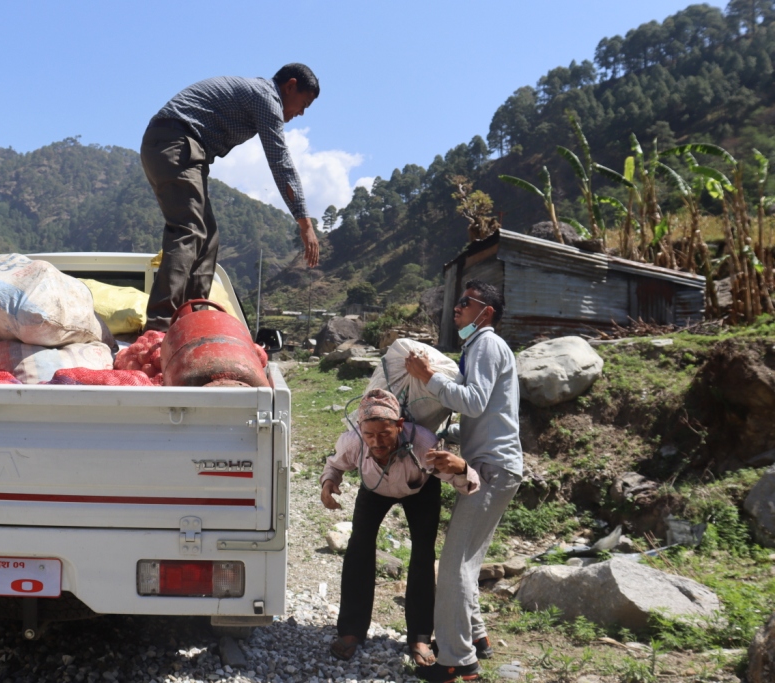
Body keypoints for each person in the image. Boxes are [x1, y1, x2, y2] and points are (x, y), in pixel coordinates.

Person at [140, 64, 321, 331]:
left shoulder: (260, 94)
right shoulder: (267, 98)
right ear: (290, 86)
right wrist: (305, 224)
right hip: (176, 143)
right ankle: (160, 325)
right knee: (189, 230)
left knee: (208, 237)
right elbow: (281, 162)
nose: (301, 113)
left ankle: (195, 318)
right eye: (303, 103)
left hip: (178, 146)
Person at [404, 279, 523, 683]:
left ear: (485, 312)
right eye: (458, 302)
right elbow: (484, 414)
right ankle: (476, 638)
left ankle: (457, 660)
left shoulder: (488, 343)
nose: (456, 308)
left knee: (454, 564)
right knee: (466, 561)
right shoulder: (478, 347)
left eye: (465, 302)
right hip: (491, 464)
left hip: (490, 468)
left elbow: (472, 401)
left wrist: (426, 378)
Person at [320, 389, 479, 667]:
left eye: (385, 434)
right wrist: (328, 483)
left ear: (400, 425)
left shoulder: (424, 444)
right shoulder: (353, 443)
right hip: (374, 489)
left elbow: (463, 483)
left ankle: (420, 636)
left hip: (420, 490)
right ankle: (350, 632)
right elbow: (334, 465)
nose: (377, 442)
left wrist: (463, 468)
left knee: (422, 555)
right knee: (358, 549)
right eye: (369, 435)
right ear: (360, 430)